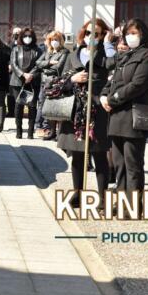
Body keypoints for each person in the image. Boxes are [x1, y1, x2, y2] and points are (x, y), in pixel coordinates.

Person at [101, 18, 148, 210]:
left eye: (134, 33)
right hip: (117, 115)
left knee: (132, 163)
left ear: (143, 34)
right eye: (128, 33)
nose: (130, 36)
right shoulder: (124, 56)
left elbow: (137, 85)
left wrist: (113, 99)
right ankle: (121, 200)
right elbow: (113, 80)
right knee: (119, 163)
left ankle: (133, 205)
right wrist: (103, 96)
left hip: (134, 115)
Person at [57, 19, 116, 208]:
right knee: (77, 155)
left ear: (103, 35)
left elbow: (113, 67)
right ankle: (78, 193)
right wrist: (73, 79)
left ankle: (102, 197)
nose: (91, 37)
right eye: (88, 33)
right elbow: (60, 81)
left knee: (99, 155)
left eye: (96, 34)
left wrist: (107, 43)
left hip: (98, 110)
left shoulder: (105, 55)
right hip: (76, 111)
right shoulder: (73, 55)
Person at [36, 30, 69, 141]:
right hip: (44, 83)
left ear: (61, 41)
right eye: (52, 40)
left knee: (56, 107)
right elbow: (38, 63)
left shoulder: (64, 52)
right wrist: (49, 63)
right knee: (44, 106)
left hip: (56, 83)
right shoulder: (48, 51)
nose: (54, 42)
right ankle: (50, 130)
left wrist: (45, 69)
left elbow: (58, 67)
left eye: (56, 40)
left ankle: (58, 133)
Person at [9, 27, 41, 139]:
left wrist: (30, 75)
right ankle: (19, 131)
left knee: (32, 106)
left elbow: (39, 65)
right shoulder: (16, 49)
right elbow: (13, 64)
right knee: (19, 106)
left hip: (33, 81)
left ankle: (30, 132)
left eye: (30, 36)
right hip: (18, 81)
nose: (27, 38)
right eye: (25, 36)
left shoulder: (38, 50)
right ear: (21, 37)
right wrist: (23, 74)